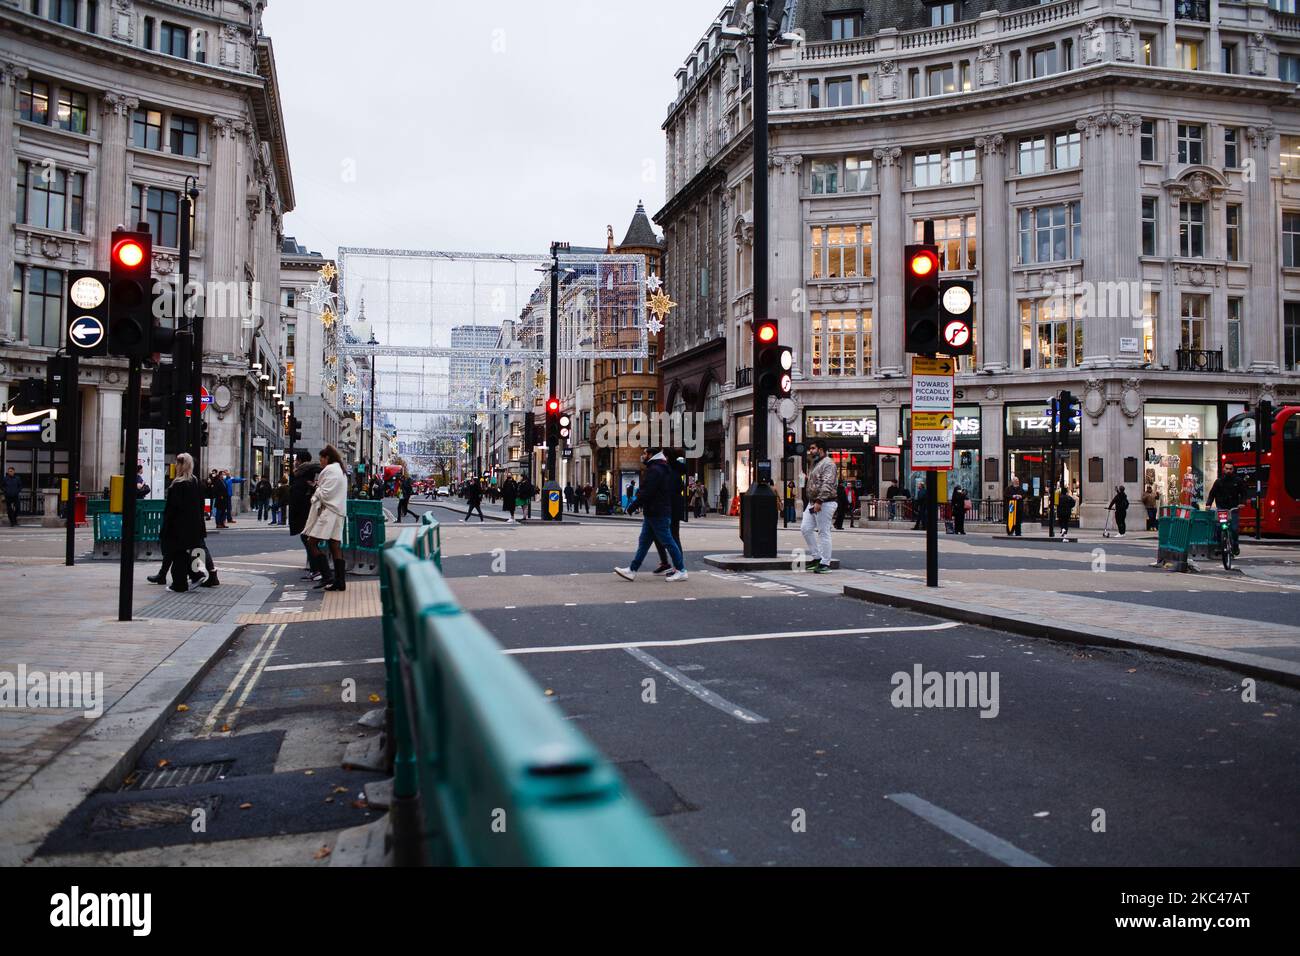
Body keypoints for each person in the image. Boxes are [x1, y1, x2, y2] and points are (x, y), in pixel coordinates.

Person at [615, 448, 687, 582]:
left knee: (669, 541)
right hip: (653, 512)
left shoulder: (656, 470)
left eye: (645, 453)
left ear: (651, 455)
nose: (643, 456)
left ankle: (681, 570)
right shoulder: (658, 468)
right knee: (644, 542)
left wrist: (633, 506)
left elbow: (648, 492)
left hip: (658, 512)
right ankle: (632, 570)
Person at [157, 453, 208, 593]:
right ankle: (195, 575)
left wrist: (165, 529)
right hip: (194, 525)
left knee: (178, 555)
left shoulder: (178, 484)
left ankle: (180, 584)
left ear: (179, 465)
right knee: (189, 552)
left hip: (178, 527)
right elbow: (201, 505)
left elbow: (172, 510)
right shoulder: (196, 482)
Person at [304, 445, 348, 591]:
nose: (320, 462)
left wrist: (316, 491)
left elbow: (326, 493)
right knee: (334, 546)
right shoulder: (341, 471)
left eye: (321, 459)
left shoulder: (330, 470)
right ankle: (340, 581)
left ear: (327, 458)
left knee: (312, 542)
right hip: (339, 512)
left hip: (329, 512)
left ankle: (327, 575)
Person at [799, 440, 838, 572]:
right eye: (810, 448)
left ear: (821, 449)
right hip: (812, 502)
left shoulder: (828, 464)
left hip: (824, 503)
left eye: (813, 448)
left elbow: (827, 483)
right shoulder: (814, 463)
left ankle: (825, 563)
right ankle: (817, 557)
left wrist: (819, 501)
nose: (811, 451)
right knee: (805, 528)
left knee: (823, 532)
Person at [288, 451, 322, 581]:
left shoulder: (306, 471)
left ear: (300, 460)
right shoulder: (302, 472)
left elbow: (301, 491)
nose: (295, 461)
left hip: (305, 510)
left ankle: (317, 569)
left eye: (296, 459)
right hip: (303, 509)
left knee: (308, 539)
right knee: (307, 539)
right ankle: (315, 568)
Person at [1205, 462, 1247, 556]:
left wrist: (1242, 503)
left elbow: (1244, 493)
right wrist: (1208, 504)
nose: (1228, 471)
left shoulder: (1238, 481)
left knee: (1234, 529)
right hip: (1222, 508)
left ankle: (1235, 545)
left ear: (1233, 470)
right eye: (1227, 468)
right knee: (1220, 527)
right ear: (1223, 469)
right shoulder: (1219, 481)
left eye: (1230, 469)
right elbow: (1212, 494)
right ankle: (1220, 546)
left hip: (1233, 509)